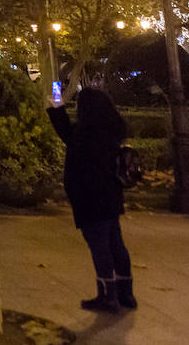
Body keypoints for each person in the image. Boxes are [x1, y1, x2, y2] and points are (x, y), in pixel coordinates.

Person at [47, 88, 135, 313]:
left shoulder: (85, 134)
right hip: (111, 198)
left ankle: (107, 295)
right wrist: (56, 102)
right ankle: (126, 292)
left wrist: (57, 101)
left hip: (90, 199)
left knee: (100, 247)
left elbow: (67, 134)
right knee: (116, 244)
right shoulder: (111, 132)